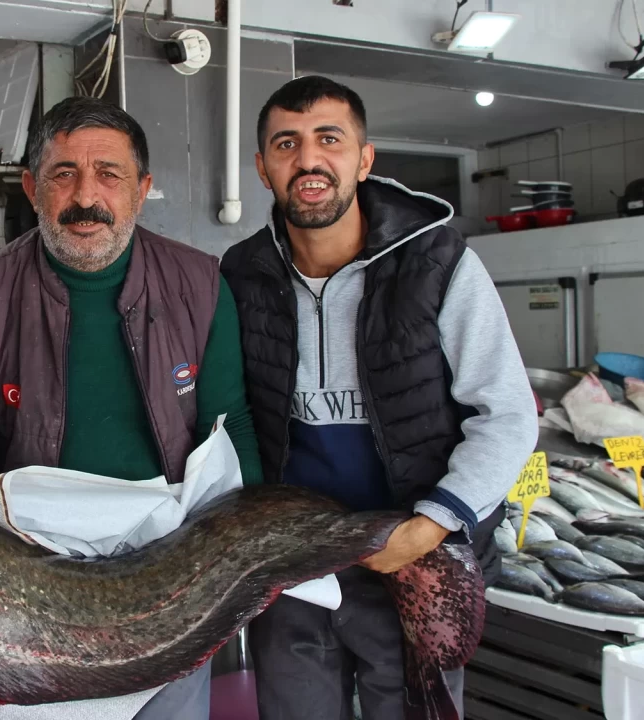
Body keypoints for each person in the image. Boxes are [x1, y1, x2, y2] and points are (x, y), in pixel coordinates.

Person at [0, 95, 264, 719]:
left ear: (142, 189)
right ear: (32, 188)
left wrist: (243, 563)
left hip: (173, 569)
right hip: (32, 578)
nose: (86, 196)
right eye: (63, 174)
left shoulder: (199, 285)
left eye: (109, 174)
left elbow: (229, 427)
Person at [219, 76, 539, 720]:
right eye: (286, 144)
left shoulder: (437, 263)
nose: (308, 160)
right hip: (296, 571)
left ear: (364, 159)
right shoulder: (240, 273)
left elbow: (506, 412)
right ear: (262, 167)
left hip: (413, 561)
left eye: (329, 140)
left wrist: (431, 526)